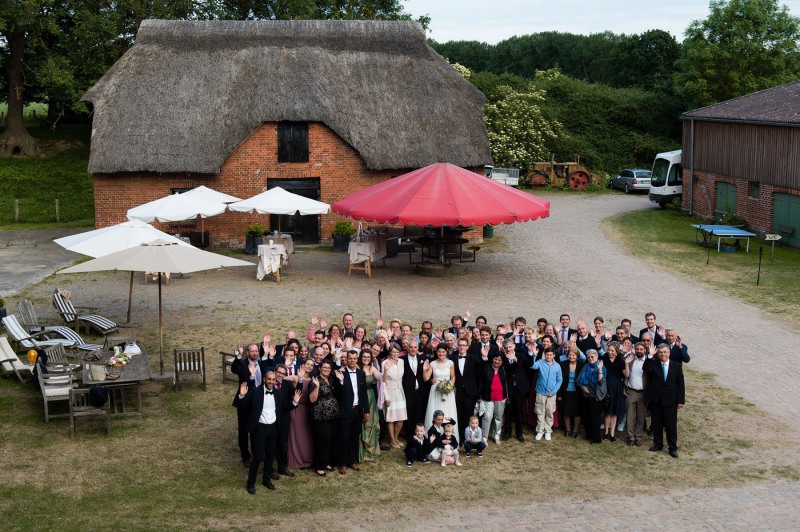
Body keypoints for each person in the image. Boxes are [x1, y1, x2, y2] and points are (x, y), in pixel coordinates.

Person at [234, 370, 301, 494]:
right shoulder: (255, 392)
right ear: (264, 379)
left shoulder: (278, 393)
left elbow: (285, 408)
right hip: (259, 429)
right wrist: (242, 396)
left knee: (270, 456)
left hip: (273, 429)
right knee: (258, 457)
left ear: (275, 381)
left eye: (273, 380)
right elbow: (242, 406)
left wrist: (294, 402)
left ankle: (266, 480)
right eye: (269, 379)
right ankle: (250, 483)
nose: (271, 382)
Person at [231, 342, 268, 469]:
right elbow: (234, 369)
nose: (254, 353)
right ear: (248, 353)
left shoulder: (261, 364)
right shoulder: (242, 364)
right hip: (245, 402)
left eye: (256, 351)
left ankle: (257, 453)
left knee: (256, 429)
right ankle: (245, 457)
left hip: (258, 401)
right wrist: (238, 356)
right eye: (252, 351)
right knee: (243, 430)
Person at [644, 344, 685, 458]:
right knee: (657, 424)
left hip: (671, 401)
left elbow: (680, 385)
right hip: (656, 400)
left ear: (669, 353)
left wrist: (681, 401)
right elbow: (646, 369)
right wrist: (649, 356)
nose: (663, 354)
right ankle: (658, 444)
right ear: (658, 353)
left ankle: (672, 448)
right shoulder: (653, 363)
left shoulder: (676, 366)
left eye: (665, 352)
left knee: (671, 426)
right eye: (660, 352)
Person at [332, 350, 369, 475]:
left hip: (357, 411)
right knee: (344, 438)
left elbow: (363, 393)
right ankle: (342, 463)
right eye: (350, 358)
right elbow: (337, 394)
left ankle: (352, 460)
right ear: (346, 359)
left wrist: (367, 410)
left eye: (354, 358)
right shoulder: (340, 373)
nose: (352, 360)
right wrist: (341, 381)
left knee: (354, 437)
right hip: (345, 411)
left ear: (357, 359)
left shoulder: (360, 373)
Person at [309, 360, 338, 477]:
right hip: (321, 417)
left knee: (330, 440)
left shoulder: (331, 380)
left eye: (328, 367)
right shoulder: (315, 380)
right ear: (320, 368)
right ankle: (319, 466)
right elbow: (312, 399)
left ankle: (326, 462)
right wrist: (317, 387)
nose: (326, 369)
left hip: (332, 416)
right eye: (324, 367)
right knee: (323, 441)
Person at [502, 338, 531, 442]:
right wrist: (511, 360)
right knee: (508, 412)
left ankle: (519, 434)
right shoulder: (502, 357)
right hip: (508, 387)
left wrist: (515, 359)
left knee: (519, 412)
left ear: (514, 346)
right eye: (506, 348)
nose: (508, 349)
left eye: (510, 347)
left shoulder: (521, 355)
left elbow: (529, 364)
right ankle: (507, 433)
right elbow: (509, 370)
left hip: (520, 388)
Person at [287, 359, 314, 469]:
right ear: (303, 365)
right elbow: (279, 377)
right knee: (296, 436)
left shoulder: (313, 380)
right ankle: (296, 460)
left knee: (306, 436)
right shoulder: (295, 377)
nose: (309, 366)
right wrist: (286, 365)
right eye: (307, 364)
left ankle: (307, 460)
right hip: (296, 410)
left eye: (311, 365)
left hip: (308, 411)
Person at [531, 346, 563, 441]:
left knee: (549, 411)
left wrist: (553, 391)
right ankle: (540, 431)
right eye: (547, 354)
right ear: (544, 354)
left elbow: (559, 380)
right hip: (540, 391)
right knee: (540, 411)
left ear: (554, 355)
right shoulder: (540, 362)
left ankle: (548, 430)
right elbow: (533, 366)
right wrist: (534, 356)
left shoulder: (557, 366)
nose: (548, 356)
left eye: (550, 355)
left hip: (551, 393)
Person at [423, 344, 458, 427]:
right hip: (435, 391)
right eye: (439, 351)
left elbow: (453, 377)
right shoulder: (433, 363)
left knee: (448, 410)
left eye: (443, 352)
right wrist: (424, 369)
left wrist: (448, 388)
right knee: (435, 410)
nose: (441, 353)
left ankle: (448, 432)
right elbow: (426, 378)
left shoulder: (450, 363)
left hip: (448, 391)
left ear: (446, 352)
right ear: (436, 352)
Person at [273, 363, 297, 477]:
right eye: (278, 372)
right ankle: (269, 469)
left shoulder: (287, 384)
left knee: (283, 444)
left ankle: (282, 467)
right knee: (270, 446)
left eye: (283, 373)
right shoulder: (269, 383)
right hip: (271, 420)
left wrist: (299, 381)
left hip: (284, 419)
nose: (280, 375)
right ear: (275, 372)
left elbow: (296, 395)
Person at [402, 339, 429, 442]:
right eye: (411, 347)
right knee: (409, 413)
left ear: (418, 348)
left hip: (420, 391)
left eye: (415, 347)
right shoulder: (402, 359)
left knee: (419, 413)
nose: (413, 349)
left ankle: (419, 435)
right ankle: (409, 436)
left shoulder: (423, 358)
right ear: (407, 348)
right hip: (407, 391)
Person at [381, 343, 407, 448]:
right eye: (393, 352)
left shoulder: (401, 361)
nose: (395, 354)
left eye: (397, 352)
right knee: (391, 418)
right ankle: (392, 440)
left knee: (401, 417)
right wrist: (386, 397)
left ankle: (396, 437)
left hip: (400, 391)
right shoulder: (384, 363)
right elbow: (383, 381)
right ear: (390, 352)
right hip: (389, 391)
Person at [478, 353, 507, 445]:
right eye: (495, 359)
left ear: (502, 362)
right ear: (492, 359)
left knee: (498, 418)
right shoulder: (486, 368)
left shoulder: (503, 370)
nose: (497, 361)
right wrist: (480, 396)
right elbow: (481, 383)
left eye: (499, 360)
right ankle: (484, 437)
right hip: (488, 397)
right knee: (487, 417)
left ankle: (496, 435)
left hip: (501, 398)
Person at [578, 349, 606, 444]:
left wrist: (600, 369)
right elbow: (578, 380)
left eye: (592, 357)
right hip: (586, 395)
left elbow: (601, 381)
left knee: (595, 418)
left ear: (597, 356)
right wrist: (582, 387)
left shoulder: (601, 366)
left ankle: (596, 438)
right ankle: (588, 435)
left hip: (596, 396)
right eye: (589, 357)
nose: (590, 359)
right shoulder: (586, 366)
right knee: (586, 417)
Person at [358, 349, 382, 462]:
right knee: (364, 423)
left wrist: (387, 369)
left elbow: (381, 378)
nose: (366, 358)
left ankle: (372, 450)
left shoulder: (372, 368)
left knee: (373, 423)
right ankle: (363, 451)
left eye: (368, 357)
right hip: (361, 397)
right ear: (361, 357)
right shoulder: (357, 367)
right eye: (364, 356)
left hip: (371, 396)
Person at [623, 341, 648, 446]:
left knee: (640, 416)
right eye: (637, 349)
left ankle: (638, 436)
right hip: (631, 391)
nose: (639, 351)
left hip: (643, 393)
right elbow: (626, 375)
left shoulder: (648, 361)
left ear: (645, 350)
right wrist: (627, 363)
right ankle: (630, 436)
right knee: (630, 416)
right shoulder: (630, 359)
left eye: (641, 349)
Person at [558, 345, 584, 438]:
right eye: (569, 355)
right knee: (566, 412)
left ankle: (575, 430)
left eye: (573, 355)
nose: (571, 357)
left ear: (577, 355)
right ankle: (568, 429)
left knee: (577, 412)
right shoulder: (563, 364)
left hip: (578, 392)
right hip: (566, 392)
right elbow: (559, 380)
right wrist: (559, 394)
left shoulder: (581, 364)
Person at [602, 341, 626, 442]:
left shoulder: (621, 360)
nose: (610, 352)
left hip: (617, 387)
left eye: (612, 350)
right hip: (606, 385)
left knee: (614, 412)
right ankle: (606, 432)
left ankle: (612, 433)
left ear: (616, 351)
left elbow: (625, 374)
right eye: (609, 350)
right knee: (607, 411)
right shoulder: (604, 358)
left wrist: (627, 364)